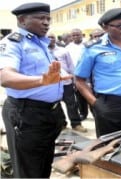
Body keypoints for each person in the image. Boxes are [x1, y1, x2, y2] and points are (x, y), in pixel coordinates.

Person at [0, 2, 72, 178]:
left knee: (43, 166)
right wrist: (42, 80)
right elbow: (5, 78)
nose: (46, 22)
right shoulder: (13, 42)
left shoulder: (41, 43)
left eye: (48, 18)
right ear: (22, 20)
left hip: (48, 113)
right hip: (26, 115)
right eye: (41, 18)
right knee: (28, 171)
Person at [75, 8, 121, 137]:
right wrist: (95, 103)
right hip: (109, 105)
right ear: (105, 27)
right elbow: (79, 80)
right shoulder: (93, 48)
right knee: (108, 148)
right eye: (119, 25)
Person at [48, 32, 87, 132]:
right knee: (56, 105)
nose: (50, 39)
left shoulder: (63, 51)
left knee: (72, 104)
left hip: (66, 82)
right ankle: (62, 124)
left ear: (55, 39)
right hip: (51, 83)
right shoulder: (42, 51)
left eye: (52, 37)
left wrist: (74, 80)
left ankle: (76, 124)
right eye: (48, 37)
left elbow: (71, 66)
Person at [65, 28, 89, 121]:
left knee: (91, 93)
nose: (75, 37)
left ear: (82, 35)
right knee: (80, 96)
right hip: (77, 75)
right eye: (73, 35)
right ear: (71, 37)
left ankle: (95, 113)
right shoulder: (68, 48)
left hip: (89, 74)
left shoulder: (87, 45)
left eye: (77, 35)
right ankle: (83, 113)